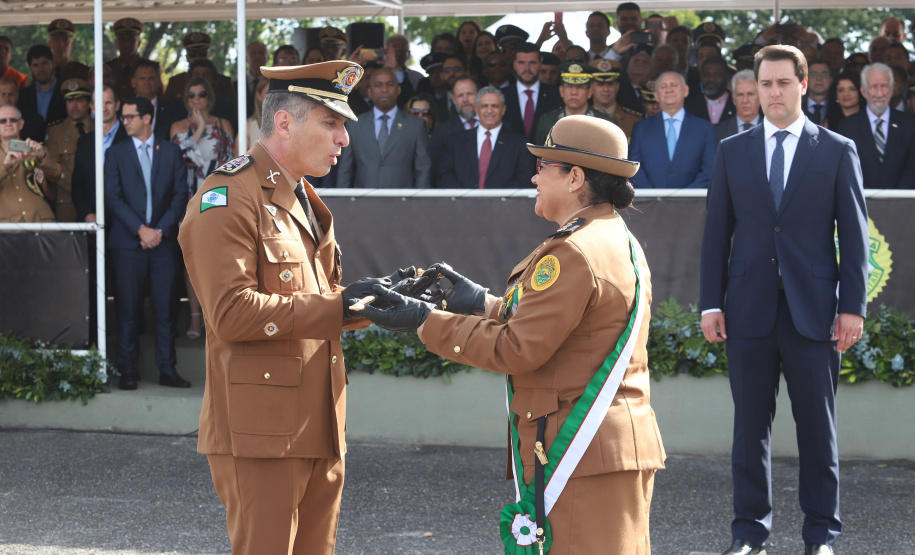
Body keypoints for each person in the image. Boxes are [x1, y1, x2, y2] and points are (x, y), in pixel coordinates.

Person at [353, 115, 665, 555]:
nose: (534, 177)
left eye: (543, 167)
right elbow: (570, 329)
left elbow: (519, 348)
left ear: (575, 178)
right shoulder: (610, 235)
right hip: (605, 449)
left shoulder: (574, 251)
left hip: (581, 449)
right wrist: (482, 302)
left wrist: (424, 319)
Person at [177, 60, 394, 555]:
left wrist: (371, 302)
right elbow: (230, 314)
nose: (343, 140)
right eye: (332, 123)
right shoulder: (228, 196)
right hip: (262, 435)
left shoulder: (303, 198)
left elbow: (320, 300)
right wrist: (341, 308)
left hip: (318, 425)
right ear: (283, 122)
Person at [700, 45, 869, 555]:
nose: (772, 93)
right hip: (747, 311)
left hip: (814, 312)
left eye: (782, 83)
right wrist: (711, 302)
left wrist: (853, 307)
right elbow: (715, 235)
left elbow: (856, 236)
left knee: (818, 431)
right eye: (763, 84)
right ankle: (749, 535)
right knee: (749, 431)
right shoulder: (733, 150)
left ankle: (821, 536)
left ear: (802, 84)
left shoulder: (837, 150)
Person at [105, 96, 189, 391]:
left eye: (129, 116)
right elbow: (112, 197)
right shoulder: (115, 153)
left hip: (163, 244)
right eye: (123, 117)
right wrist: (140, 229)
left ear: (146, 118)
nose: (123, 121)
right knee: (128, 311)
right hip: (128, 245)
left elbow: (181, 196)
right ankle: (127, 371)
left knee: (166, 311)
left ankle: (167, 370)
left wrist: (159, 231)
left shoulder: (170, 152)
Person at [170, 78, 236, 339]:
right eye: (191, 96)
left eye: (201, 95)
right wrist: (195, 133)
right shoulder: (178, 126)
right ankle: (196, 317)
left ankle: (216, 315)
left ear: (209, 97)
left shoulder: (223, 125)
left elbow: (231, 162)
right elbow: (178, 161)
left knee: (218, 257)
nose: (196, 100)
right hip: (188, 196)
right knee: (192, 257)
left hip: (217, 195)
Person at [337, 67, 431, 188]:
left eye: (390, 84)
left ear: (398, 90)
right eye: (378, 85)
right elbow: (345, 170)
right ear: (369, 92)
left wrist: (420, 204)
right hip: (362, 203)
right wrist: (342, 202)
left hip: (403, 204)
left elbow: (423, 169)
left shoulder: (416, 126)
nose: (384, 89)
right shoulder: (354, 125)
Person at [629, 71, 717, 188]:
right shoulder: (641, 128)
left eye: (674, 85)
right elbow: (634, 167)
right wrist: (654, 196)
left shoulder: (705, 128)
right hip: (650, 202)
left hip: (692, 202)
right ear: (656, 95)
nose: (668, 90)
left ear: (685, 90)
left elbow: (710, 169)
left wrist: (685, 197)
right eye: (663, 86)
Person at [437, 85, 534, 189]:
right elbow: (445, 175)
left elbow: (524, 179)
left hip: (504, 204)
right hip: (462, 203)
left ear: (503, 110)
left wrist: (497, 200)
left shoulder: (519, 143)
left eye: (495, 106)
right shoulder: (455, 141)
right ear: (477, 110)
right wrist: (464, 199)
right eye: (484, 106)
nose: (489, 110)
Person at [837, 62, 915, 189]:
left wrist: (895, 197)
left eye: (884, 86)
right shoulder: (847, 126)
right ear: (863, 90)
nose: (879, 94)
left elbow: (913, 168)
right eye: (873, 87)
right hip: (862, 202)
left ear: (891, 89)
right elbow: (845, 169)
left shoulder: (910, 125)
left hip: (902, 202)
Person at [43, 78, 94, 222]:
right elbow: (53, 169)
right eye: (70, 101)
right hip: (68, 203)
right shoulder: (54, 132)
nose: (74, 105)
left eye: (79, 100)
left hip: (101, 202)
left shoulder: (100, 127)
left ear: (89, 104)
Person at [534, 62, 617, 145]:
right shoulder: (546, 121)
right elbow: (539, 155)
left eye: (580, 87)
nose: (574, 92)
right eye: (569, 86)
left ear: (590, 92)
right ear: (561, 91)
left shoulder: (606, 123)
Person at [0, 105, 56, 223]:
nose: (8, 123)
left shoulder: (36, 148)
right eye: (2, 121)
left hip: (40, 224)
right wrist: (5, 166)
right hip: (7, 228)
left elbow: (57, 175)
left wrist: (42, 157)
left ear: (21, 124)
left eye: (13, 120)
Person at [503, 43, 563, 142]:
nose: (527, 68)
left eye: (532, 63)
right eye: (522, 62)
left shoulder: (556, 96)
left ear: (540, 64)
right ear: (514, 65)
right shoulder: (501, 97)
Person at [163, 32, 234, 104]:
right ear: (187, 57)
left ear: (208, 55)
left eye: (202, 54)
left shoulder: (224, 82)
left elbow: (233, 110)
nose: (198, 58)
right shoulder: (175, 82)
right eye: (192, 55)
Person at [430, 76, 478, 181]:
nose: (465, 99)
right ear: (453, 99)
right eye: (460, 95)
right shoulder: (442, 132)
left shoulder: (496, 126)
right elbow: (437, 172)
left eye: (470, 94)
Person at [589, 58, 643, 138]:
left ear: (617, 87)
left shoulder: (634, 120)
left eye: (610, 84)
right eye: (600, 84)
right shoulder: (581, 118)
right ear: (591, 87)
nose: (606, 89)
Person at [132, 59, 184, 141]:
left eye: (151, 78)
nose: (147, 82)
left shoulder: (172, 111)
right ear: (133, 82)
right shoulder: (122, 109)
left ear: (159, 82)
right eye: (142, 78)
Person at [19, 45, 66, 125]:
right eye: (35, 65)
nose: (41, 69)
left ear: (53, 63)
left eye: (44, 63)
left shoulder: (65, 92)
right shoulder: (23, 95)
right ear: (30, 67)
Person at [106, 18, 149, 103]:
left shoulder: (151, 68)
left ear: (139, 43)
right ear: (116, 43)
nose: (127, 43)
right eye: (122, 39)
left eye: (131, 40)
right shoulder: (108, 68)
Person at [686, 57, 737, 124]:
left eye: (717, 74)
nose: (711, 79)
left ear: (727, 76)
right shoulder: (689, 105)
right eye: (706, 74)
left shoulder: (737, 104)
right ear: (701, 76)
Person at [716, 70, 761, 141]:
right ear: (734, 99)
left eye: (750, 94)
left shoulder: (772, 128)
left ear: (760, 97)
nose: (745, 100)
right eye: (740, 95)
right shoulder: (718, 131)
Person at [0, 76, 46, 143]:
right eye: (3, 94)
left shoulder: (34, 121)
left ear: (18, 95)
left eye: (11, 94)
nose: (7, 99)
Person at [240, 76, 270, 151]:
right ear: (259, 96)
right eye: (268, 92)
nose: (273, 97)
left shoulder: (288, 124)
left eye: (277, 93)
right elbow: (239, 160)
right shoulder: (248, 126)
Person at [241, 41, 267, 117]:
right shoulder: (235, 86)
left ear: (267, 57)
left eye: (261, 52)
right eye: (253, 53)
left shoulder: (273, 84)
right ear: (246, 58)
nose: (257, 55)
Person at [802, 59, 833, 125]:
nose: (819, 78)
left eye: (824, 74)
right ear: (805, 79)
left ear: (831, 79)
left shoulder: (839, 107)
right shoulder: (796, 106)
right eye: (813, 74)